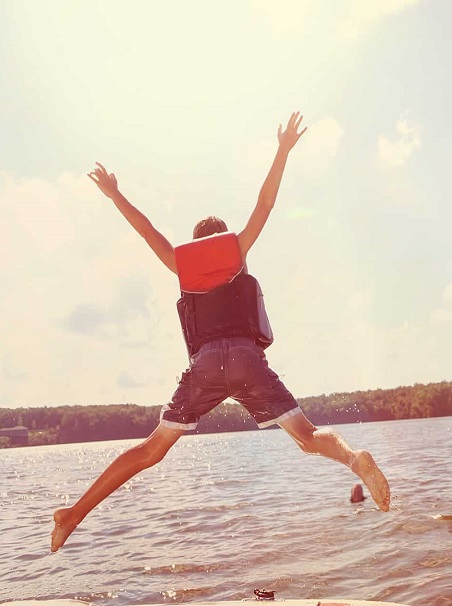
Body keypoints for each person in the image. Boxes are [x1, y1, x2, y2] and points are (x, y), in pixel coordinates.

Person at [51, 112, 390, 552]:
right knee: (307, 438)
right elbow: (264, 205)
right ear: (224, 242)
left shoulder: (181, 263)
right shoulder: (237, 249)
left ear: (194, 245)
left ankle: (74, 513)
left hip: (206, 364)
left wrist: (115, 193)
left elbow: (145, 229)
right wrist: (283, 150)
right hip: (248, 361)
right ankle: (352, 457)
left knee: (151, 451)